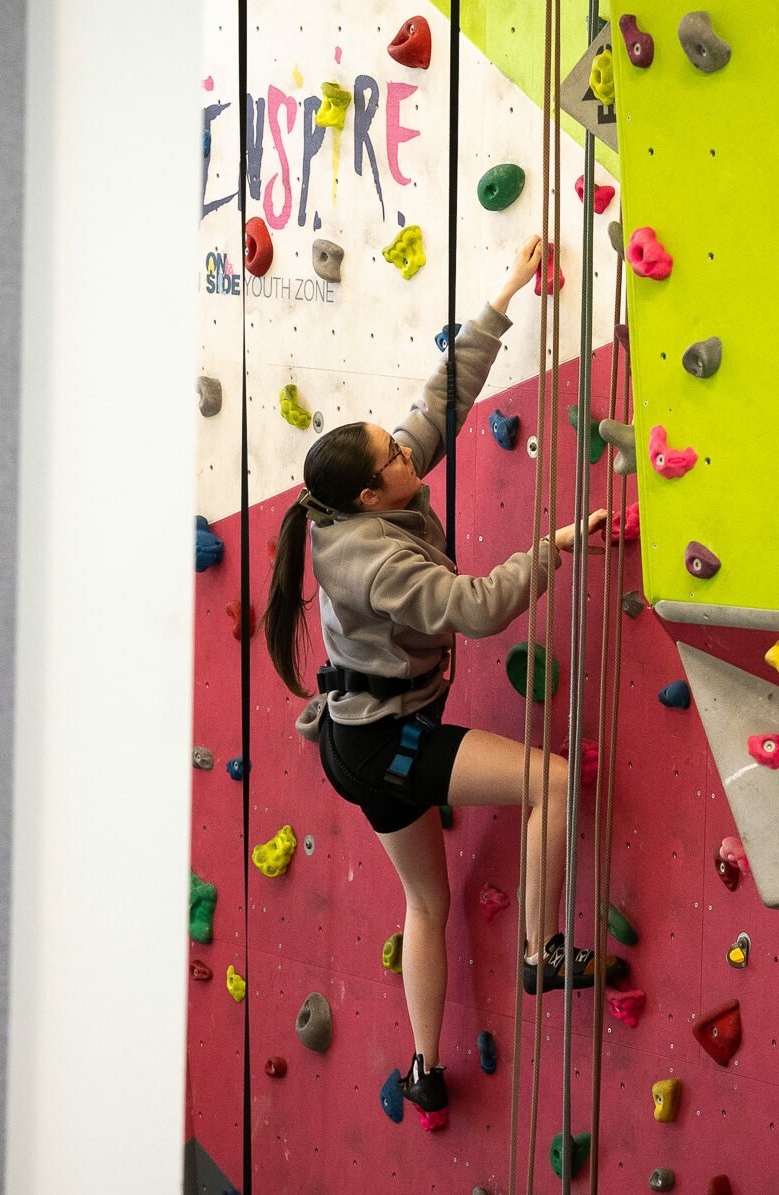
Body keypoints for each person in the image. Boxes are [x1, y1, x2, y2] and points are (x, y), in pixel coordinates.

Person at [263, 234, 623, 1133]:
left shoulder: (351, 500)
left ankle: (424, 1067)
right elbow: (473, 606)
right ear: (375, 496)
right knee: (547, 783)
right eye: (393, 456)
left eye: (392, 445)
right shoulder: (375, 564)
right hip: (389, 744)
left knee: (428, 900)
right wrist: (557, 546)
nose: (404, 448)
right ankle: (539, 951)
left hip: (356, 741)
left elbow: (441, 400)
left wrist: (505, 292)